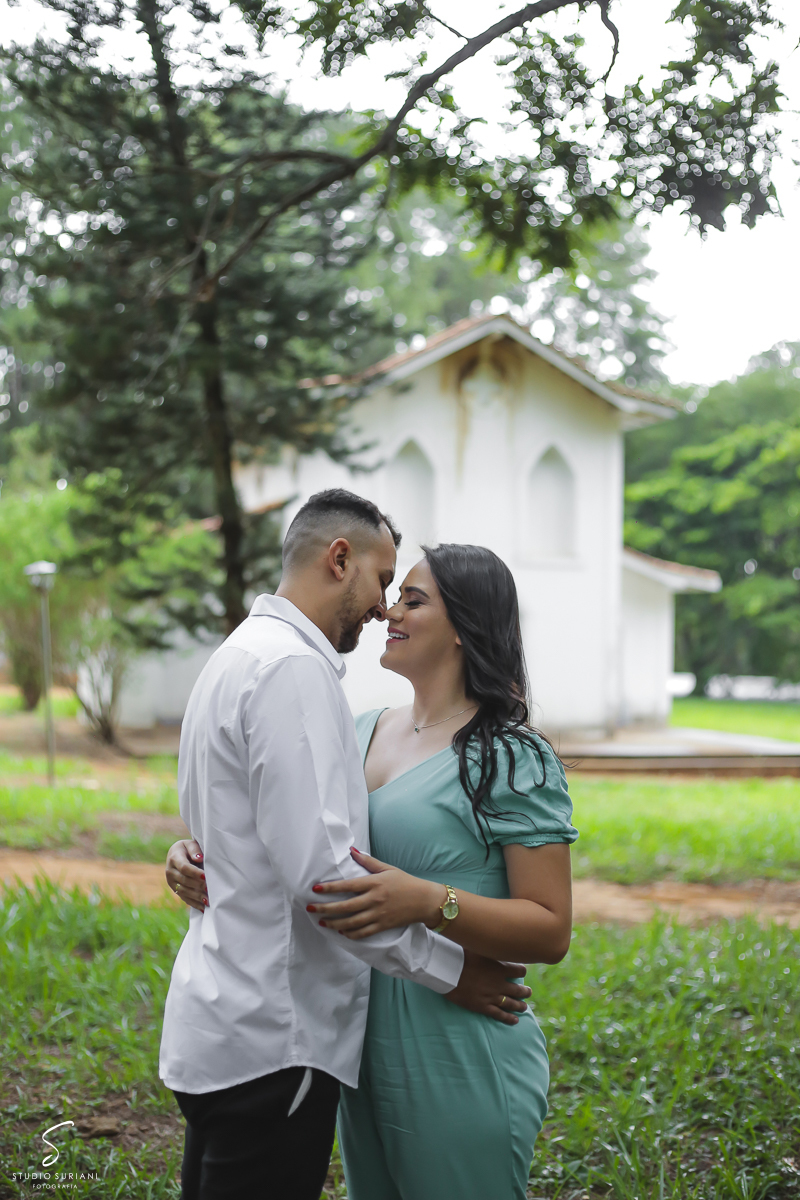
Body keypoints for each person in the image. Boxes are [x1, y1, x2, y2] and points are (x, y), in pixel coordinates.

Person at [169, 536, 578, 1200]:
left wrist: (430, 901)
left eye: (412, 600)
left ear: (464, 628)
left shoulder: (511, 756)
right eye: (393, 597)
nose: (389, 612)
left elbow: (550, 929)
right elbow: (291, 839)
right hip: (355, 1040)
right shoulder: (358, 728)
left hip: (463, 1039)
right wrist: (197, 851)